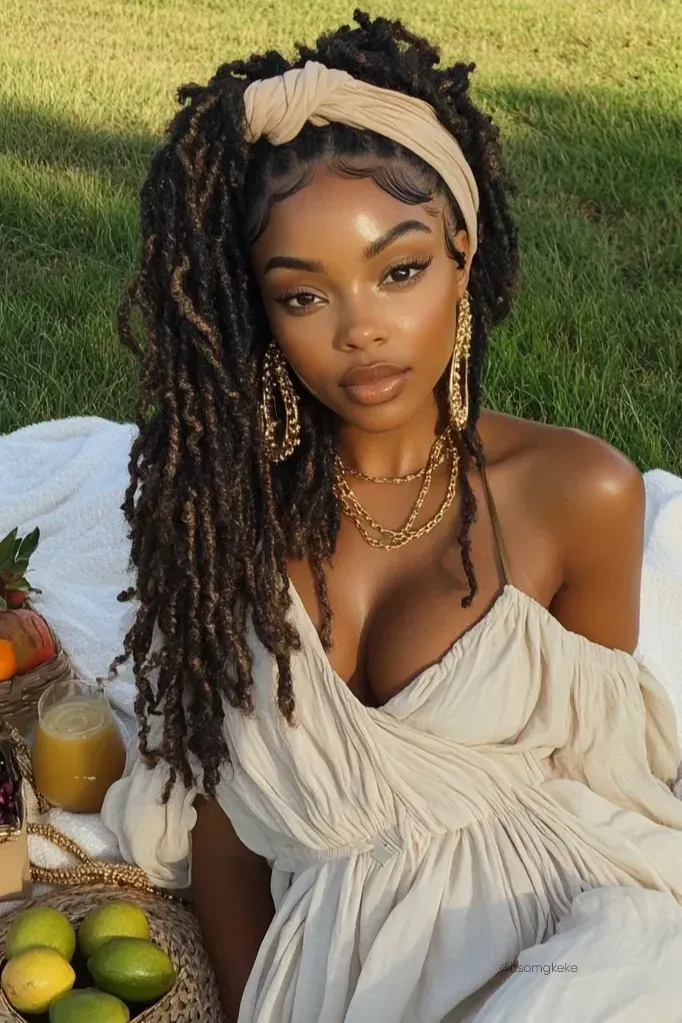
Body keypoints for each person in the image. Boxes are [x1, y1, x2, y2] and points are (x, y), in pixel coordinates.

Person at [102, 10, 682, 1022]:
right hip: (330, 973)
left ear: (463, 254)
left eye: (399, 270)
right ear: (256, 310)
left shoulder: (578, 490)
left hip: (569, 932)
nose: (361, 330)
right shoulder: (216, 522)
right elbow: (229, 829)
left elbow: (609, 773)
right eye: (302, 296)